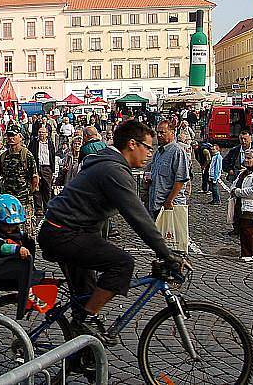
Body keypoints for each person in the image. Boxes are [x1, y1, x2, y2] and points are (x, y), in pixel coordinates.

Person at [38, 120, 187, 342]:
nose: (150, 153)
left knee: (86, 297)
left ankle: (81, 357)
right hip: (63, 234)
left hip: (71, 232)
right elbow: (138, 217)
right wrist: (167, 253)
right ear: (132, 144)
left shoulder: (111, 164)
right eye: (148, 147)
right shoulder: (113, 170)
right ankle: (85, 321)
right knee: (122, 264)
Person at [0, 124, 39, 238]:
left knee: (27, 231)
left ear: (20, 137)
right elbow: (3, 175)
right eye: (9, 136)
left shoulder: (27, 155)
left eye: (13, 135)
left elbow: (34, 177)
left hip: (24, 199)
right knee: (8, 229)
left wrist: (29, 192)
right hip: (8, 199)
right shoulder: (3, 156)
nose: (11, 138)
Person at [144, 121, 190, 219]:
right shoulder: (158, 152)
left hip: (170, 206)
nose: (159, 135)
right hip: (156, 204)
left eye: (162, 132)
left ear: (172, 133)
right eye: (158, 133)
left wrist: (169, 200)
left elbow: (181, 180)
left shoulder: (177, 152)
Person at [230, 149, 253, 262]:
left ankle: (247, 254)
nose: (246, 160)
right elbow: (234, 184)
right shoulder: (244, 172)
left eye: (248, 158)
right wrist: (234, 189)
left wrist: (238, 192)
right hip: (242, 205)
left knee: (248, 230)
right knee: (246, 230)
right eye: (245, 158)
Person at [0, 194, 34, 260]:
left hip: (19, 261)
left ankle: (30, 265)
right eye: (5, 225)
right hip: (5, 261)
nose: (10, 229)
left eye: (13, 226)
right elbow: (2, 248)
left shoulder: (15, 232)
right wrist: (18, 249)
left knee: (30, 241)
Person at [28, 125, 56, 217]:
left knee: (47, 188)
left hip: (47, 167)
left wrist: (53, 169)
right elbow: (30, 154)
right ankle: (39, 209)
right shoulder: (34, 143)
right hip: (37, 167)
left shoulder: (50, 143)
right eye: (39, 132)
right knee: (37, 188)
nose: (41, 134)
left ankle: (47, 207)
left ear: (47, 134)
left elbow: (52, 156)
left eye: (43, 132)